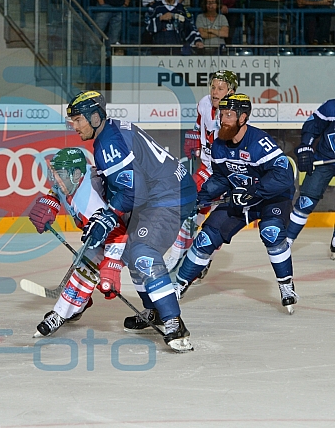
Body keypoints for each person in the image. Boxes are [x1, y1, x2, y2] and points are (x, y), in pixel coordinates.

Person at [67, 91, 197, 352]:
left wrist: (108, 215)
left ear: (95, 117)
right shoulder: (110, 131)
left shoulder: (109, 144)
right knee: (129, 248)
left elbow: (135, 192)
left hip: (169, 196)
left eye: (78, 119)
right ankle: (155, 310)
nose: (75, 126)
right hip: (163, 192)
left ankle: (173, 321)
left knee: (142, 252)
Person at [173, 94, 299, 314]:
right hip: (241, 197)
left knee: (271, 233)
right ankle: (178, 286)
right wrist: (200, 198)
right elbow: (221, 178)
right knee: (205, 238)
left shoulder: (259, 143)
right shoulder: (219, 144)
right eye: (222, 114)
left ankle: (286, 285)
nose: (224, 119)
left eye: (229, 115)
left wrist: (253, 191)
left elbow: (284, 177)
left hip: (272, 197)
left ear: (243, 118)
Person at [28, 147, 128, 337]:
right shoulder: (74, 180)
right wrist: (51, 200)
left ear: (76, 174)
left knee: (87, 266)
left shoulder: (89, 201)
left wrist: (111, 264)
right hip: (103, 232)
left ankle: (61, 313)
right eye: (54, 175)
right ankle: (73, 307)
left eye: (61, 175)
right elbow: (57, 189)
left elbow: (118, 234)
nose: (57, 180)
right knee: (84, 263)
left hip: (124, 236)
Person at [165, 70, 239, 273]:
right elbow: (198, 125)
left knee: (219, 223)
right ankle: (176, 255)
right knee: (190, 207)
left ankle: (205, 259)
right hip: (208, 168)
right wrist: (194, 138)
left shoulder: (236, 112)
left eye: (220, 88)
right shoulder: (204, 103)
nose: (215, 92)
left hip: (227, 172)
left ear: (231, 91)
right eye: (213, 87)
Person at [287, 99, 335, 259]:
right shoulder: (332, 107)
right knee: (305, 201)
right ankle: (286, 241)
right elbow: (312, 126)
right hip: (325, 159)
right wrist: (306, 148)